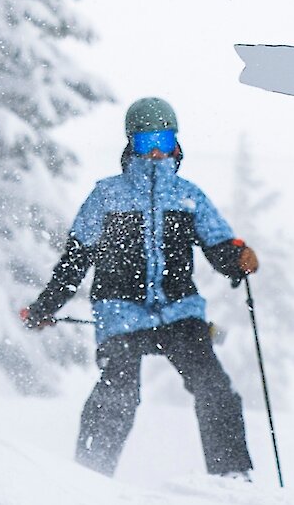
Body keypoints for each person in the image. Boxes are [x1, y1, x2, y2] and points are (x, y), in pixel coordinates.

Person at [21, 96, 260, 480]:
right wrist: (45, 306)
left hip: (180, 313)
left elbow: (219, 245)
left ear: (176, 145)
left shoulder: (188, 196)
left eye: (163, 142)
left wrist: (238, 258)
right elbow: (74, 261)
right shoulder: (106, 196)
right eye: (146, 144)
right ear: (130, 145)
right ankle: (88, 479)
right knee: (118, 394)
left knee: (214, 388)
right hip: (121, 315)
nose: (155, 154)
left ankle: (234, 480)